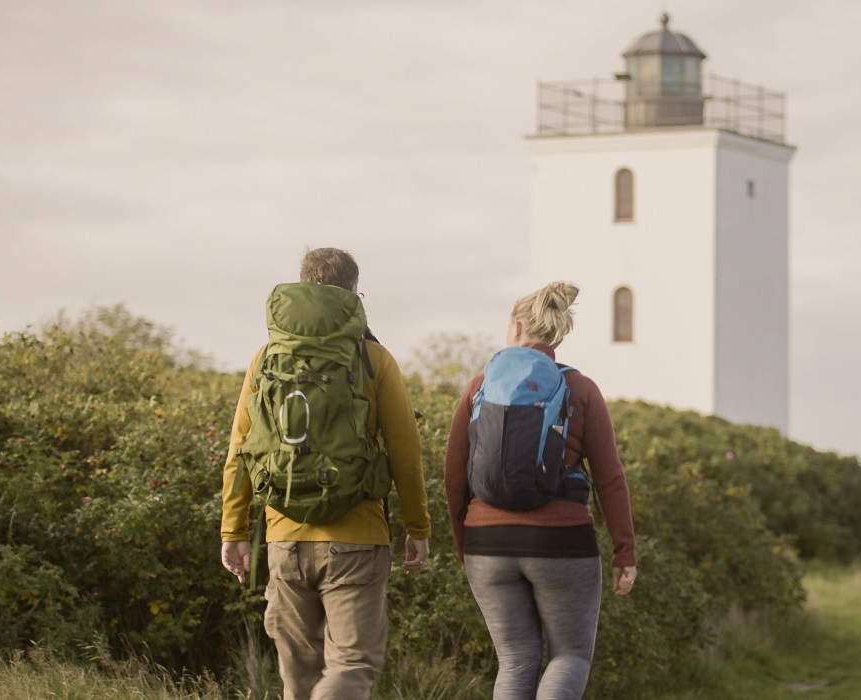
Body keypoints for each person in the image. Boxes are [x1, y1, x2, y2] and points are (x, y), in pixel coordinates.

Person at [220, 247, 431, 700]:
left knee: (297, 675)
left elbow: (240, 449)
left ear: (302, 285)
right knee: (353, 664)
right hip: (358, 537)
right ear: (355, 294)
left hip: (284, 538)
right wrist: (417, 528)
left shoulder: (266, 358)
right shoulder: (375, 359)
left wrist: (233, 530)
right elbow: (405, 452)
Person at [444, 281, 637, 700]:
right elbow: (609, 476)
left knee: (515, 659)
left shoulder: (480, 386)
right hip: (562, 540)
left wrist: (465, 545)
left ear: (515, 326)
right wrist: (625, 550)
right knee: (569, 657)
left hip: (486, 544)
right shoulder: (581, 388)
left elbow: (455, 476)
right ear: (558, 333)